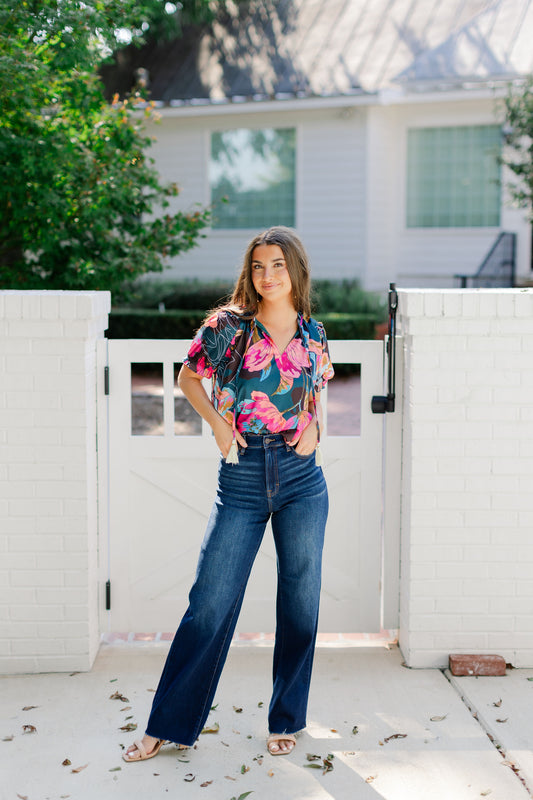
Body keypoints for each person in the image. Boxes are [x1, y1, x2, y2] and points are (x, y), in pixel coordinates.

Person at [123, 226, 334, 762]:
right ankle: (166, 724)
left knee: (300, 603)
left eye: (278, 265)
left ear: (296, 270)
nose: (268, 275)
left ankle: (286, 718)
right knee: (210, 603)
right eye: (259, 266)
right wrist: (219, 424)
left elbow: (314, 399)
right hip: (241, 476)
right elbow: (188, 378)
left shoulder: (314, 333)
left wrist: (315, 429)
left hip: (303, 480)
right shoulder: (227, 326)